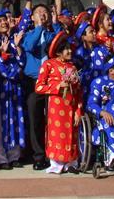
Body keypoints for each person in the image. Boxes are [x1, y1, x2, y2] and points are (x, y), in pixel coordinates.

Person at [21, 0, 62, 170]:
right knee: (35, 117)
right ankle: (38, 156)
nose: (42, 14)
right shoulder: (29, 34)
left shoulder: (51, 34)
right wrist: (38, 28)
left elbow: (61, 40)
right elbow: (29, 46)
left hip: (53, 82)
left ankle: (55, 153)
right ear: (32, 17)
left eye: (44, 12)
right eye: (38, 12)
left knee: (53, 118)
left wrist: (58, 4)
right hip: (35, 81)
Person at [35, 31, 81, 174]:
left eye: (69, 48)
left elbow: (79, 92)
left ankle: (71, 162)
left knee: (71, 132)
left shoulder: (72, 67)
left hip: (71, 106)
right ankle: (56, 164)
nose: (69, 51)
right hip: (55, 106)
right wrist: (57, 87)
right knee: (56, 133)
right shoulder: (48, 65)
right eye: (66, 49)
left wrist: (78, 111)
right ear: (58, 52)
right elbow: (38, 87)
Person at [0, 10, 26, 169]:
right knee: (1, 121)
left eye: (5, 20)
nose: (4, 23)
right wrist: (4, 55)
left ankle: (14, 155)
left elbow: (22, 62)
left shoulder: (14, 40)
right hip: (1, 86)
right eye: (0, 21)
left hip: (14, 85)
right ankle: (0, 157)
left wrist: (17, 48)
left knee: (16, 118)